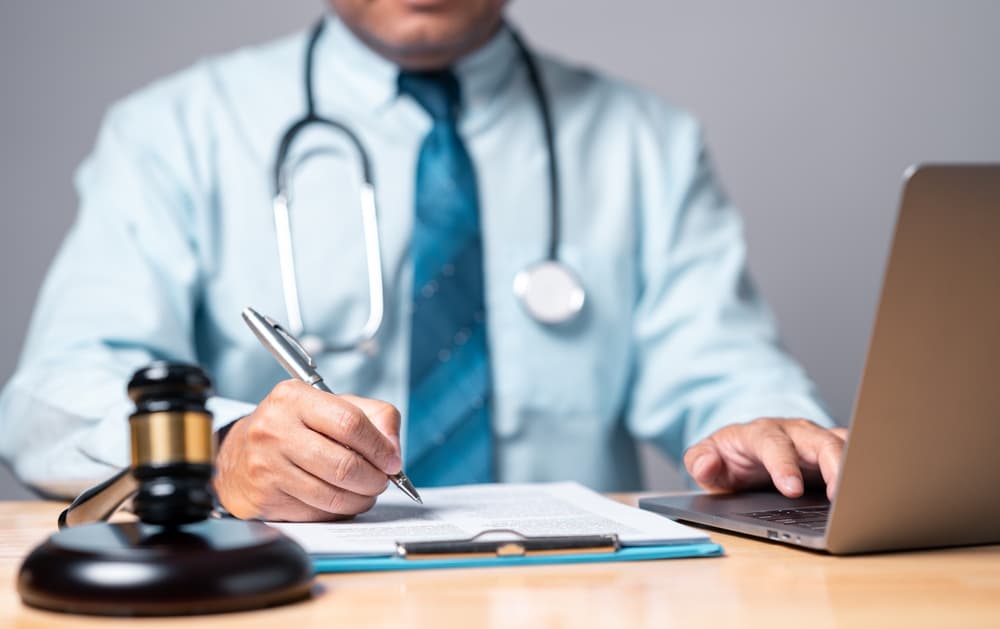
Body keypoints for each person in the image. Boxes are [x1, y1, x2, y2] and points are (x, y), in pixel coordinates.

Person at [0, 0, 846, 521]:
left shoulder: (647, 142)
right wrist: (222, 450)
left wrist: (772, 432)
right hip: (282, 616)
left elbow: (723, 368)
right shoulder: (172, 132)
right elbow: (50, 399)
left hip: (571, 613)